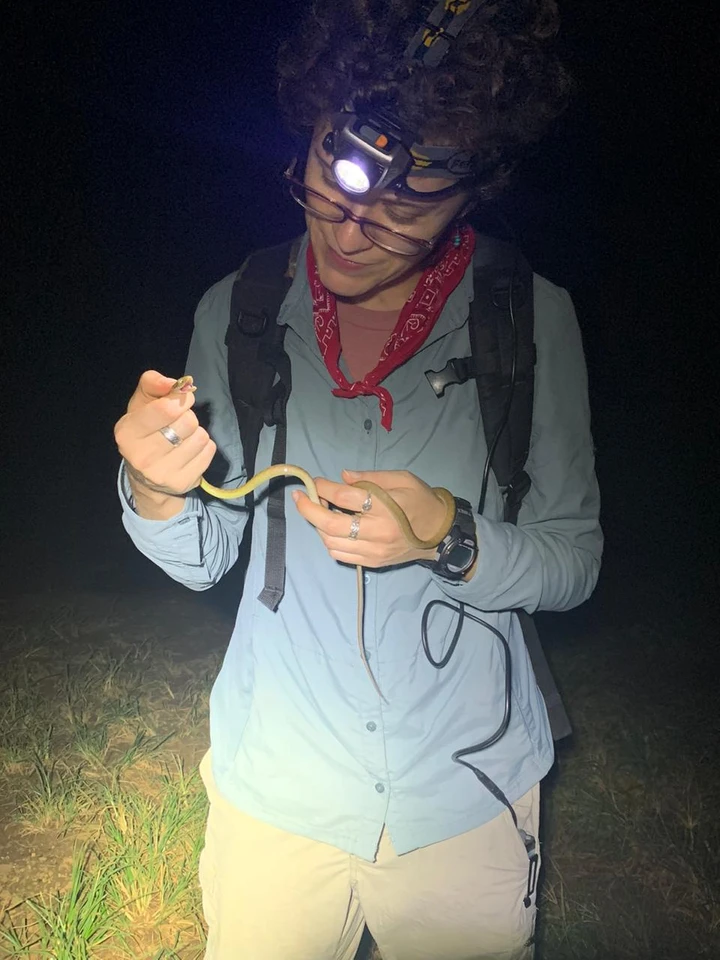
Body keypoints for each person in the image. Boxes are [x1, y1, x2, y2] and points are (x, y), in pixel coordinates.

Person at [113, 1, 602, 958]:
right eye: (328, 187)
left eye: (407, 207)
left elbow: (573, 559)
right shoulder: (238, 308)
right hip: (278, 786)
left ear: (473, 191)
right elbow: (205, 558)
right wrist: (156, 487)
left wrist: (449, 538)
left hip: (467, 791)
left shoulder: (529, 319)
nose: (350, 232)